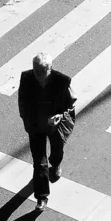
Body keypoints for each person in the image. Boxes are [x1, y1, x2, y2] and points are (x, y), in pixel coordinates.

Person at [18, 52, 77, 211]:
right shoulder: (26, 78)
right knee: (39, 162)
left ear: (50, 69)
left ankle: (56, 164)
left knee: (56, 151)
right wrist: (26, 121)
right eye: (37, 71)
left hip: (55, 125)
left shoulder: (62, 81)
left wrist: (60, 115)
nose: (39, 76)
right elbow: (22, 103)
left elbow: (71, 103)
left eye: (43, 72)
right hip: (35, 126)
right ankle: (41, 198)